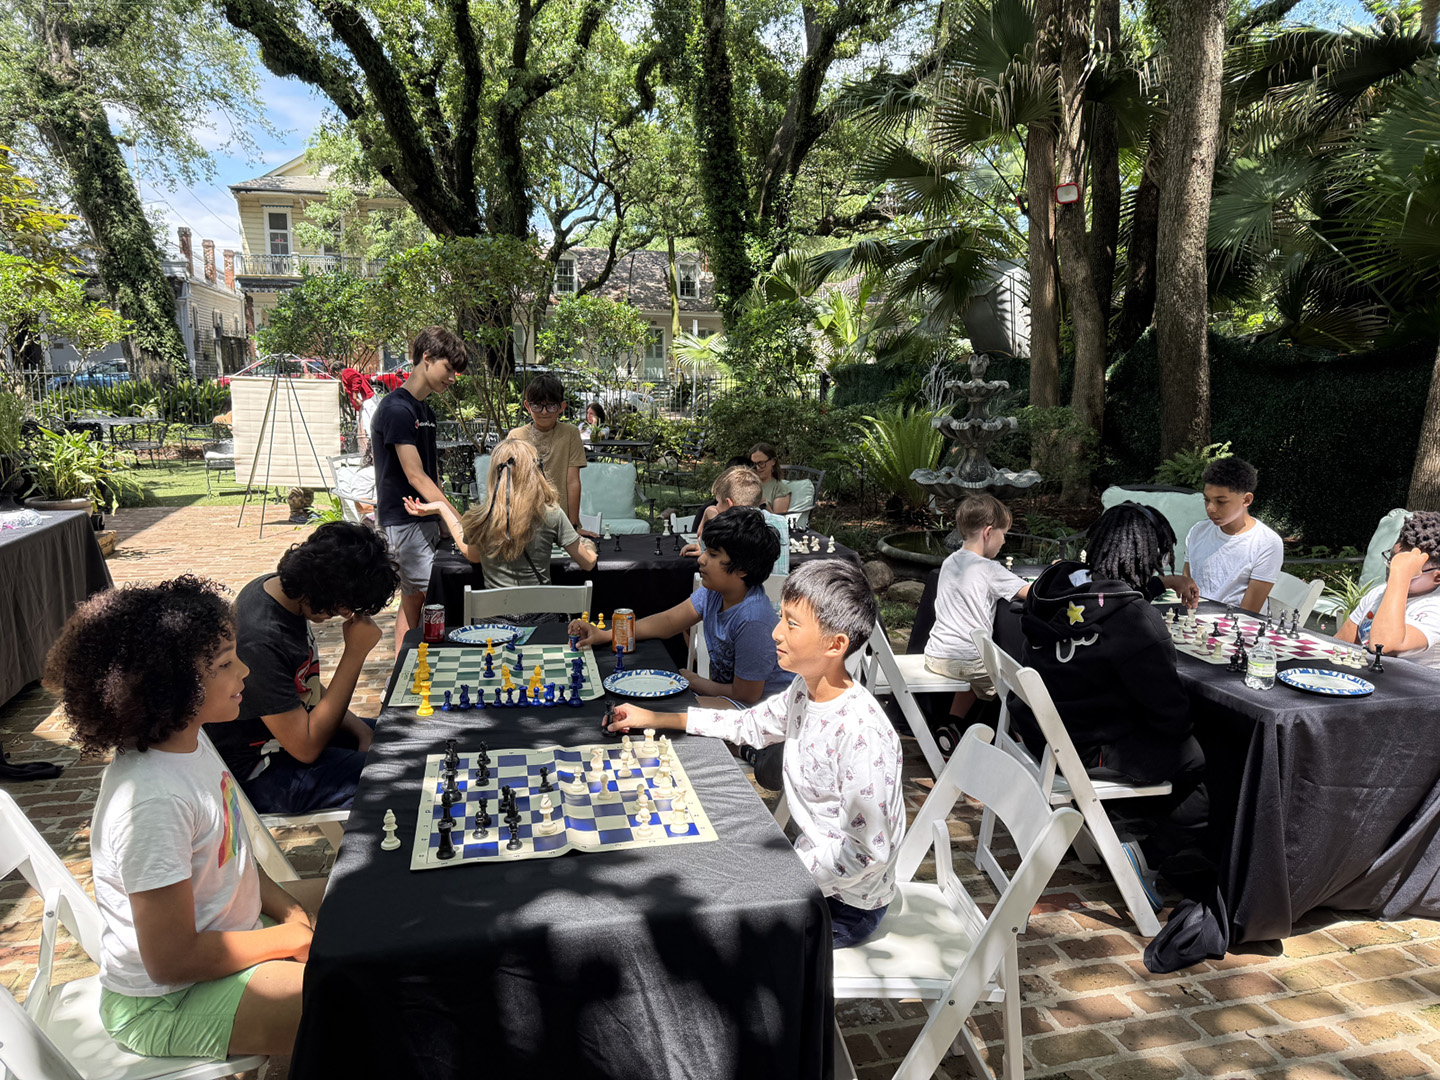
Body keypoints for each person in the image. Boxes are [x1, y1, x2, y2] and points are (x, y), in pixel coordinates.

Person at [45, 576, 316, 1061]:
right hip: (166, 1004)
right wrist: (286, 938)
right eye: (225, 664)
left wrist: (291, 915)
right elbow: (171, 959)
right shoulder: (151, 801)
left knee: (358, 901)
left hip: (232, 932)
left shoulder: (192, 743)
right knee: (350, 1000)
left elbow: (236, 863)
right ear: (169, 685)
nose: (245, 672)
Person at [604, 559, 903, 948]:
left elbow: (868, 853)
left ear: (836, 644)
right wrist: (657, 717)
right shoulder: (803, 691)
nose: (776, 632)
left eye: (792, 624)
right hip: (809, 872)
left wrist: (776, 877)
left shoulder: (860, 732)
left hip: (846, 904)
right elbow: (747, 725)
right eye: (782, 617)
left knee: (719, 933)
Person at [1002, 502, 1204, 910]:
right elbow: (1171, 718)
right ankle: (1144, 851)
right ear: (1147, 558)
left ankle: (1118, 821)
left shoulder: (1055, 586)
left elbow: (1108, 599)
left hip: (1037, 732)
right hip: (1084, 748)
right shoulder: (1136, 620)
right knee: (1209, 762)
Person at [205, 523, 399, 814]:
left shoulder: (280, 592)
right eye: (344, 605)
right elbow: (306, 748)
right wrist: (355, 653)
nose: (345, 614)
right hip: (261, 771)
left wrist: (363, 733)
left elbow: (305, 687)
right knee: (400, 775)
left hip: (290, 740)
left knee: (403, 740)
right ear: (323, 585)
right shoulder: (260, 638)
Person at [570, 507, 791, 704]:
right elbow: (667, 622)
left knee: (664, 712)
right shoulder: (713, 593)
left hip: (758, 712)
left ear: (742, 569)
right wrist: (607, 635)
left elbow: (747, 695)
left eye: (713, 555)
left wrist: (694, 681)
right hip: (730, 699)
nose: (701, 560)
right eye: (705, 551)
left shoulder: (753, 620)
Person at [372, 325, 469, 654]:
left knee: (413, 598)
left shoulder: (425, 410)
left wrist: (443, 520)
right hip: (404, 519)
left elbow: (432, 473)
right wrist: (457, 520)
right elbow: (415, 476)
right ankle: (412, 668)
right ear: (426, 358)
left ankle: (404, 668)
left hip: (425, 518)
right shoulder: (397, 409)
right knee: (431, 595)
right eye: (449, 368)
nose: (453, 378)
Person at [405, 437, 597, 592]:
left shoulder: (482, 516)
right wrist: (589, 545)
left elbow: (473, 556)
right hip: (542, 623)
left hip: (493, 629)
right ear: (534, 471)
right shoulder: (552, 514)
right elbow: (588, 564)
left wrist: (442, 508)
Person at [924, 494, 1029, 723]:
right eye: (1004, 535)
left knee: (978, 676)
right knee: (1017, 684)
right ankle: (1023, 740)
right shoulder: (989, 568)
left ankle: (953, 723)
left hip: (936, 653)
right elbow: (1030, 592)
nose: (1004, 542)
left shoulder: (950, 561)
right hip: (969, 661)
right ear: (988, 532)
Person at [1173, 457, 1283, 614]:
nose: (1210, 508)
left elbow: (1247, 613)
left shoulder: (1267, 542)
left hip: (1234, 629)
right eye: (1206, 500)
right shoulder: (1198, 531)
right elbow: (1186, 589)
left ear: (1246, 500)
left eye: (1221, 501)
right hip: (1194, 622)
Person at [1338, 510, 1440, 668]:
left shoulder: (1435, 608)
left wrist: (1401, 577)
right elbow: (1340, 643)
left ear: (1437, 577)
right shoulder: (1378, 593)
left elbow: (1383, 646)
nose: (1392, 570)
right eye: (1391, 560)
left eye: (1408, 569)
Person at [507, 374, 588, 532]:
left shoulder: (570, 433)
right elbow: (509, 484)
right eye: (537, 405)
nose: (544, 412)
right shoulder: (515, 436)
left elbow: (573, 482)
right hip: (525, 522)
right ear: (527, 406)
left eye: (551, 406)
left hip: (561, 523)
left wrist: (573, 526)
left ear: (562, 407)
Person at [683, 464, 790, 574]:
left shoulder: (729, 528)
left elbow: (706, 564)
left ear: (730, 504)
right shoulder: (781, 522)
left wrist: (708, 515)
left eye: (718, 502)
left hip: (736, 591)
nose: (716, 506)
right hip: (778, 590)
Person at [749, 442, 792, 514]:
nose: (757, 468)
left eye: (761, 463)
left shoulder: (779, 489)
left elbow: (778, 522)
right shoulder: (747, 485)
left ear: (773, 461)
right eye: (753, 464)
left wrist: (764, 505)